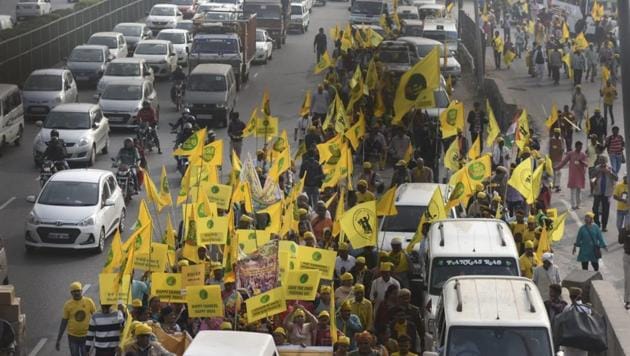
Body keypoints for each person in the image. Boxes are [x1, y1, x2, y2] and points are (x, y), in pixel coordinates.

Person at [56, 282, 97, 356]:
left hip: (87, 336)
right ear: (71, 293)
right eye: (74, 291)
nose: (77, 293)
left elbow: (96, 317)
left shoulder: (89, 302)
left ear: (81, 291)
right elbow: (64, 322)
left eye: (78, 290)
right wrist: (59, 339)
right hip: (73, 337)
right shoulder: (68, 305)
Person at [558, 288, 592, 356]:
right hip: (582, 342)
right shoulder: (587, 309)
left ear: (570, 297)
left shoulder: (567, 308)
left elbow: (562, 323)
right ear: (580, 296)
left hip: (570, 342)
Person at [555, 141, 588, 210]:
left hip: (580, 175)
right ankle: (573, 205)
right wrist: (557, 167)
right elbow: (564, 162)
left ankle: (578, 204)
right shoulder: (571, 154)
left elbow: (586, 164)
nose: (580, 148)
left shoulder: (583, 155)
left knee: (579, 191)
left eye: (581, 147)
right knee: (573, 191)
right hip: (573, 175)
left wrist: (582, 162)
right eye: (579, 147)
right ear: (575, 146)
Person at [591, 156, 617, 231]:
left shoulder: (610, 168)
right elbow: (592, 178)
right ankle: (597, 224)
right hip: (597, 192)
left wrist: (609, 172)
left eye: (604, 162)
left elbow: (616, 178)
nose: (602, 164)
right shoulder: (596, 168)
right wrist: (594, 184)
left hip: (607, 193)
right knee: (595, 209)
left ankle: (604, 226)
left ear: (606, 162)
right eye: (601, 162)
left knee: (606, 210)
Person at [619, 226, 630, 309]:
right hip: (627, 256)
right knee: (628, 279)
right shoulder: (625, 230)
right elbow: (620, 241)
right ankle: (627, 300)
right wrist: (625, 232)